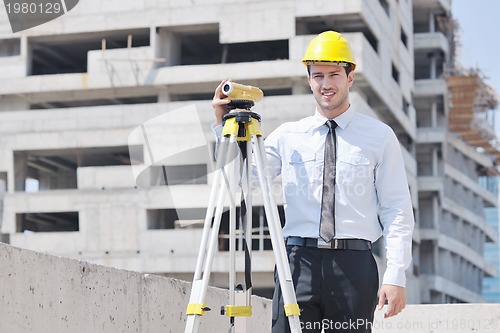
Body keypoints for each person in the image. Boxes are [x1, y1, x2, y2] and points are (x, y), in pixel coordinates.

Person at [211, 31, 414, 333]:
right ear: (309, 80)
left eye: (334, 74)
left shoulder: (380, 136)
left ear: (350, 77)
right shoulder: (288, 135)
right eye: (318, 75)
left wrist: (395, 274)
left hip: (353, 266)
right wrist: (222, 125)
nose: (326, 84)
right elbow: (242, 181)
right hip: (297, 262)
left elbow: (396, 208)